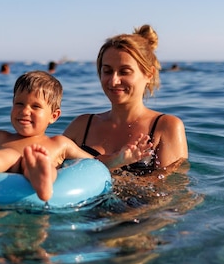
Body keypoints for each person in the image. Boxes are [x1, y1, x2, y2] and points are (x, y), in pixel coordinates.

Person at [0, 70, 151, 201]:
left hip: (44, 167)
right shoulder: (1, 136)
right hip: (4, 166)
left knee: (39, 160)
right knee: (2, 156)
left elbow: (92, 163)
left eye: (35, 107)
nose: (24, 111)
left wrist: (121, 157)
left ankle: (43, 179)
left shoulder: (59, 143)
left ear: (54, 115)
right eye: (18, 104)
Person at [63, 25, 188, 173]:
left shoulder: (166, 127)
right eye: (107, 71)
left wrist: (110, 169)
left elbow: (173, 188)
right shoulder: (82, 126)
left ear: (148, 74)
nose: (114, 81)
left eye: (125, 72)